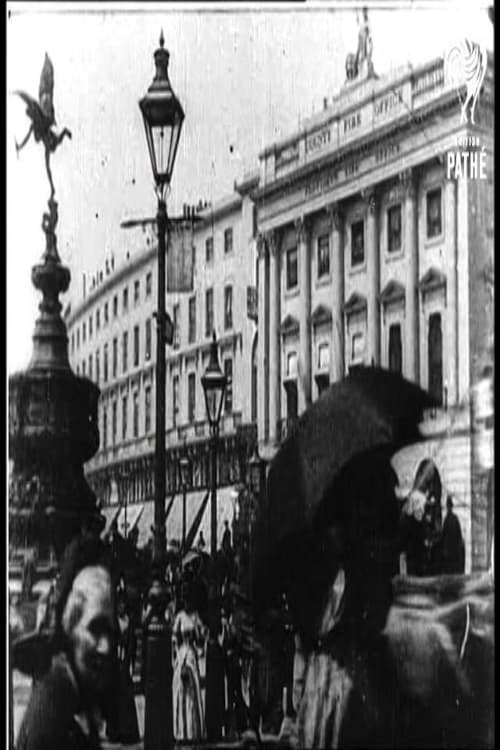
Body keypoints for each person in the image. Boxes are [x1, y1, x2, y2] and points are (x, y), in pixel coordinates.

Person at [16, 537, 115, 750]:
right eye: (95, 629)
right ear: (70, 623)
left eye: (110, 631)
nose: (105, 647)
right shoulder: (54, 703)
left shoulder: (75, 693)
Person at [172, 586, 206, 741]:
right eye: (184, 599)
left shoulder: (195, 616)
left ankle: (192, 731)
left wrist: (197, 634)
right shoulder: (179, 616)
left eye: (189, 599)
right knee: (180, 689)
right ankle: (180, 731)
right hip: (181, 654)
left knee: (193, 690)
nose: (187, 602)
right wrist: (176, 653)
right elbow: (174, 637)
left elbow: (200, 639)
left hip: (191, 653)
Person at [439, 495, 465, 574]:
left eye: (448, 506)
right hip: (453, 549)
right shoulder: (454, 518)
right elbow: (459, 534)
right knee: (453, 568)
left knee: (450, 569)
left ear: (448, 506)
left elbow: (444, 535)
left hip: (450, 549)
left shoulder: (447, 519)